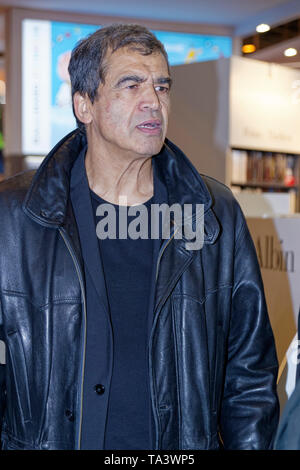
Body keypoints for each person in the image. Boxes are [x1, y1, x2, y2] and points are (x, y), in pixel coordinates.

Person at [0, 23, 279, 450]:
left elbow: (250, 376)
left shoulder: (213, 213)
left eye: (162, 87)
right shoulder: (16, 214)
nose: (153, 102)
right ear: (84, 105)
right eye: (131, 85)